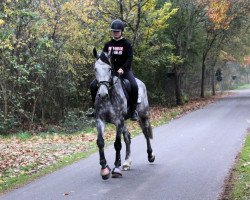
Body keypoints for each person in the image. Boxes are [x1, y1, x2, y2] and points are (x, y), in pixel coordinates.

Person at [86, 19, 139, 121]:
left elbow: (129, 58)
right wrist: (98, 58)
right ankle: (95, 109)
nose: (115, 33)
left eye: (117, 31)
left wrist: (122, 69)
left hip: (125, 71)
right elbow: (103, 58)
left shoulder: (126, 44)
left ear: (121, 31)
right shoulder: (108, 45)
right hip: (110, 72)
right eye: (114, 31)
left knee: (134, 86)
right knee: (93, 85)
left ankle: (132, 111)